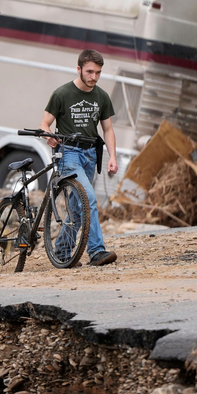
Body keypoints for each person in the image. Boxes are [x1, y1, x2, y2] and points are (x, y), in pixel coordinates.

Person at [40, 49, 118, 267]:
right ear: (79, 69)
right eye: (90, 72)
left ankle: (63, 252)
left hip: (90, 154)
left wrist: (112, 156)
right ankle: (97, 251)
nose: (94, 77)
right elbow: (44, 123)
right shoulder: (62, 94)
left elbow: (108, 129)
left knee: (76, 208)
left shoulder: (101, 96)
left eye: (98, 73)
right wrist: (49, 136)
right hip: (69, 154)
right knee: (88, 197)